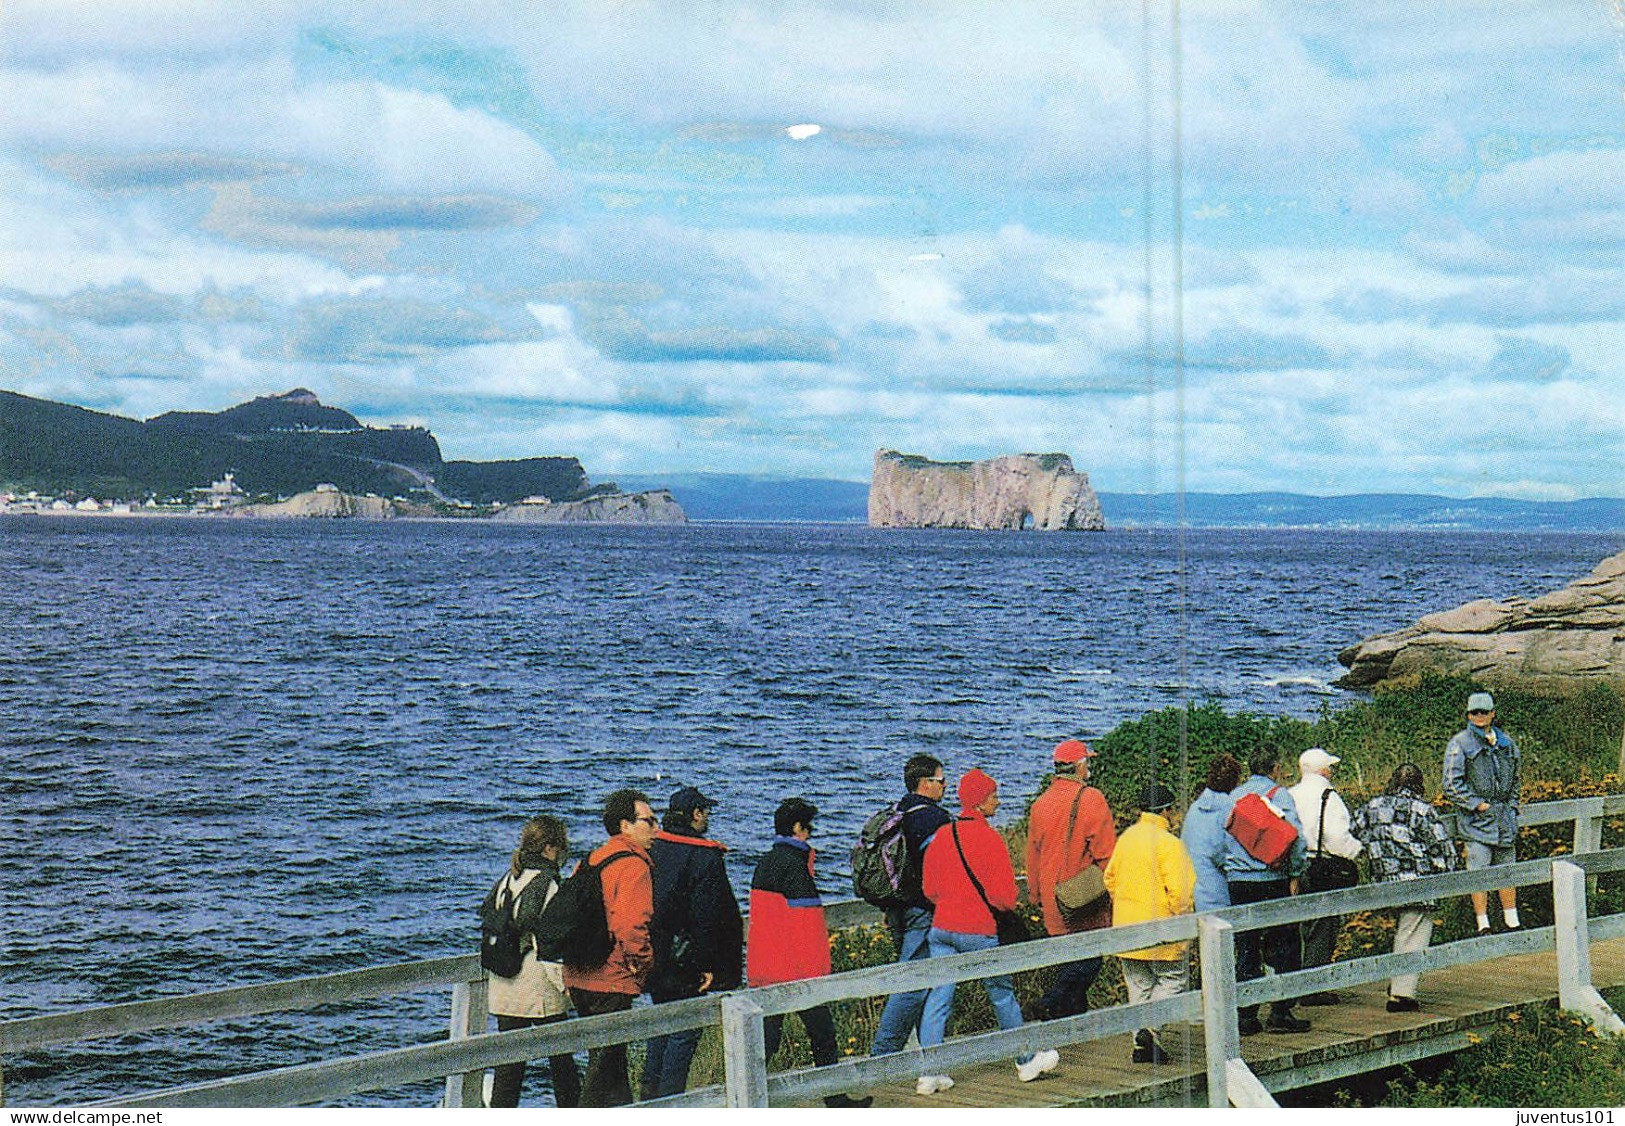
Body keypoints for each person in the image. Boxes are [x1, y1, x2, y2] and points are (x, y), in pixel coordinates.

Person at [916, 769, 1060, 1096]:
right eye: (994, 795)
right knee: (1001, 993)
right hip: (978, 929)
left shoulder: (942, 835)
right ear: (980, 804)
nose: (998, 800)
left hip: (942, 928)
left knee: (939, 997)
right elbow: (1004, 899)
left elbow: (929, 889)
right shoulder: (990, 839)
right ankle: (1025, 1061)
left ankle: (929, 1073)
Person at [746, 798, 873, 1109]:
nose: (811, 834)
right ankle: (835, 1099)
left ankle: (747, 1099)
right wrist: (820, 974)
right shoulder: (795, 867)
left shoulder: (766, 862)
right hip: (797, 970)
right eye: (809, 827)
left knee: (766, 1042)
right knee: (823, 1035)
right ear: (797, 829)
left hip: (767, 965)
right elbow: (810, 927)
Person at [640, 785, 743, 1100]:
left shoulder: (653, 849)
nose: (707, 818)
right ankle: (671, 1103)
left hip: (656, 954)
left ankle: (649, 1098)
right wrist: (709, 966)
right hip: (688, 960)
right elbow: (708, 917)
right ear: (696, 814)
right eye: (706, 812)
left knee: (660, 1030)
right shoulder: (704, 856)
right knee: (684, 1034)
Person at [562, 788, 657, 1107]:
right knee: (603, 1072)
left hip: (578, 974)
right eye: (649, 821)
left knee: (611, 1068)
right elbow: (630, 927)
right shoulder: (634, 865)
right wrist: (643, 965)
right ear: (625, 825)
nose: (656, 828)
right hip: (611, 977)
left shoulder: (589, 860)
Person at [483, 815, 581, 1107]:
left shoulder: (508, 879)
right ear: (551, 848)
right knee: (562, 1062)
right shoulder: (548, 885)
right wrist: (566, 986)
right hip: (537, 985)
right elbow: (550, 945)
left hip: (504, 983)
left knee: (509, 1070)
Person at [1351, 763, 1458, 1012]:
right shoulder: (1422, 810)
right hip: (1417, 882)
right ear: (1419, 784)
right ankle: (1401, 995)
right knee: (1413, 934)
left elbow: (1354, 832)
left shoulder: (1372, 807)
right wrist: (1446, 875)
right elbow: (1444, 849)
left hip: (1385, 880)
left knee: (1402, 932)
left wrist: (1376, 852)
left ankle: (1398, 983)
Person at [1023, 738, 1117, 1020]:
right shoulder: (1091, 798)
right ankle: (1048, 1003)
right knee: (1089, 960)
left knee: (1070, 962)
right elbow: (1105, 853)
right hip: (1082, 898)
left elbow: (1033, 855)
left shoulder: (1040, 804)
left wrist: (1035, 895)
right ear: (1079, 766)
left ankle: (1069, 1030)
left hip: (1053, 898)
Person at [1103, 783, 1197, 1065]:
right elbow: (1181, 892)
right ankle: (1150, 1030)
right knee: (1172, 980)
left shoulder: (1127, 838)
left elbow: (1109, 878)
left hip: (1128, 927)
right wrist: (1184, 919)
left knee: (1139, 984)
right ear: (1166, 811)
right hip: (1162, 927)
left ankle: (1141, 1044)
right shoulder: (1170, 844)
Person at [869, 753, 953, 1057]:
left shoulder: (898, 810)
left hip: (896, 907)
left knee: (919, 978)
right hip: (922, 910)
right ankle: (883, 1055)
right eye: (941, 780)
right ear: (925, 783)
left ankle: (921, 1051)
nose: (946, 786)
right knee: (913, 982)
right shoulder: (934, 819)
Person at [1224, 744, 1311, 1036]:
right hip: (1272, 878)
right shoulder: (1280, 795)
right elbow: (1297, 840)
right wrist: (1295, 873)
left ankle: (1246, 1016)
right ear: (1275, 768)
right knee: (1283, 944)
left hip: (1238, 882)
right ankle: (1280, 1011)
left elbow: (1221, 839)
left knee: (1246, 947)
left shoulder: (1234, 797)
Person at [1287, 747, 1363, 1004]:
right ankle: (1312, 988)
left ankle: (1293, 984)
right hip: (1322, 865)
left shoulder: (1290, 795)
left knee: (1297, 925)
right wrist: (1357, 851)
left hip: (1293, 864)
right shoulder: (1329, 797)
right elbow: (1337, 838)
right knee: (1323, 926)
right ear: (1324, 770)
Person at [1443, 691, 1522, 935]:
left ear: (1493, 713)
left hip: (1504, 817)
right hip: (1476, 822)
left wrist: (1513, 805)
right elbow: (1451, 784)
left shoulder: (1507, 743)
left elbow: (1517, 778)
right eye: (1475, 712)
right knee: (1478, 870)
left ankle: (1512, 921)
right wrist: (1477, 804)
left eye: (1484, 712)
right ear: (1468, 715)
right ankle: (1483, 924)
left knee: (1507, 869)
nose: (1480, 716)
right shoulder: (1460, 743)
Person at [1182, 754, 1242, 912]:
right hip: (1218, 892)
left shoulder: (1195, 808)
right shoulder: (1228, 809)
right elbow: (1222, 852)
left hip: (1193, 890)